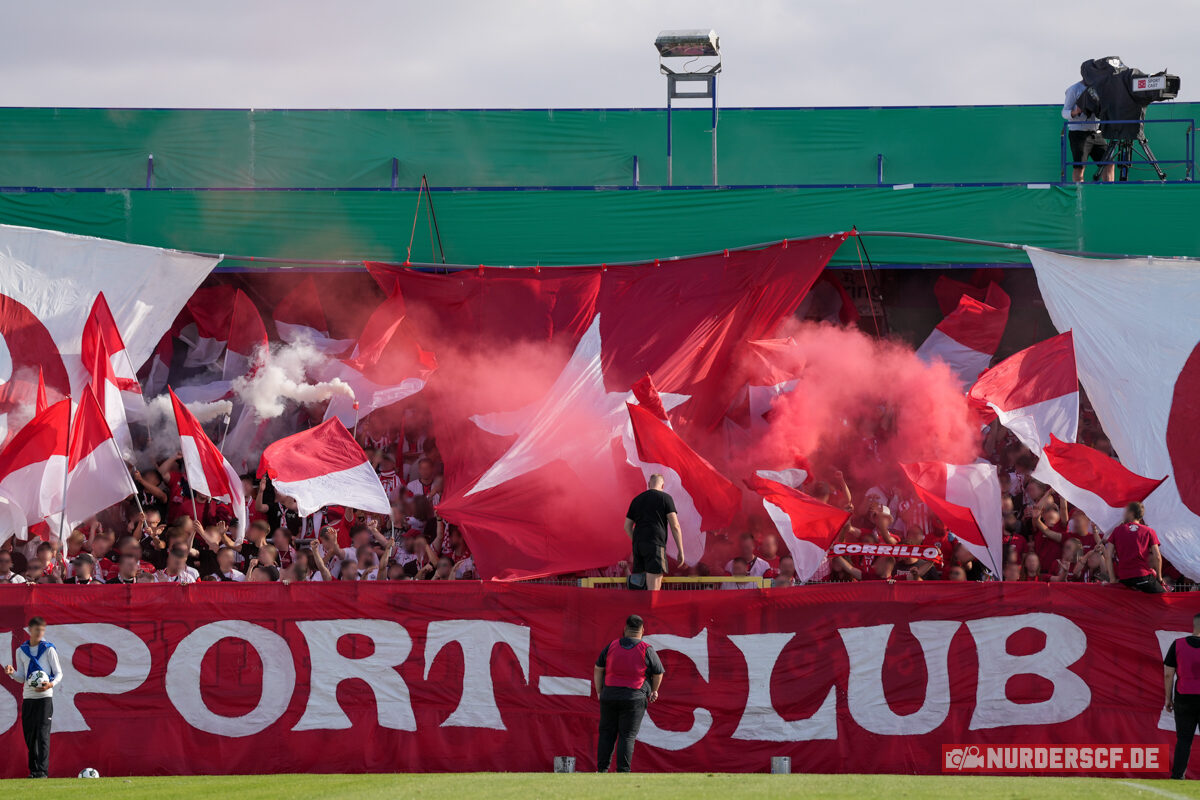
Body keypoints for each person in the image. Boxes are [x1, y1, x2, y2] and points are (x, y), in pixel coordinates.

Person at [593, 615, 664, 773]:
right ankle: (623, 772)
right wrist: (654, 690)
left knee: (607, 734)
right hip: (634, 697)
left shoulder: (612, 645)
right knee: (627, 736)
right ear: (642, 631)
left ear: (625, 629)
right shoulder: (646, 648)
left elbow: (598, 668)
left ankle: (602, 770)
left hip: (609, 695)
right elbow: (658, 672)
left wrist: (599, 691)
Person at [5, 617, 63, 778]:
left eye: (42, 630)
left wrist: (50, 685)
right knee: (30, 735)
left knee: (42, 734)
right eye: (37, 630)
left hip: (45, 697)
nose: (40, 633)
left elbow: (59, 673)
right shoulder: (21, 651)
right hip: (28, 698)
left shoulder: (49, 649)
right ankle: (33, 770)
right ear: (30, 630)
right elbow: (22, 677)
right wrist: (11, 674)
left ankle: (42, 771)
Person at [623, 475, 685, 591]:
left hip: (638, 547)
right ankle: (650, 608)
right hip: (655, 545)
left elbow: (627, 526)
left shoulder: (636, 500)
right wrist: (680, 551)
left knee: (638, 587)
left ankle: (640, 609)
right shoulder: (665, 498)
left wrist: (636, 540)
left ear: (648, 484)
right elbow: (675, 526)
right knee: (653, 590)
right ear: (662, 486)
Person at [1164, 613, 1200, 779]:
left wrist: (1168, 698)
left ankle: (1177, 776)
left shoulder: (1178, 644)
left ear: (1194, 625)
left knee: (1184, 740)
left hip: (1184, 698)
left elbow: (1168, 675)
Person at [1107, 502, 1164, 593]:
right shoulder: (1149, 531)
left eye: (1125, 511)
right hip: (1142, 576)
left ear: (1131, 513)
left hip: (1124, 578)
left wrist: (1112, 578)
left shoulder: (1117, 530)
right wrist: (1159, 578)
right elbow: (1157, 556)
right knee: (1164, 599)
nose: (1123, 514)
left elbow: (1108, 555)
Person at [1062, 79, 1110, 182]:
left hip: (1097, 133)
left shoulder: (1099, 88)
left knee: (1109, 162)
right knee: (1080, 166)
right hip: (1079, 133)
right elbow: (1064, 112)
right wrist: (1076, 111)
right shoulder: (1074, 89)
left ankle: (1109, 191)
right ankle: (1079, 195)